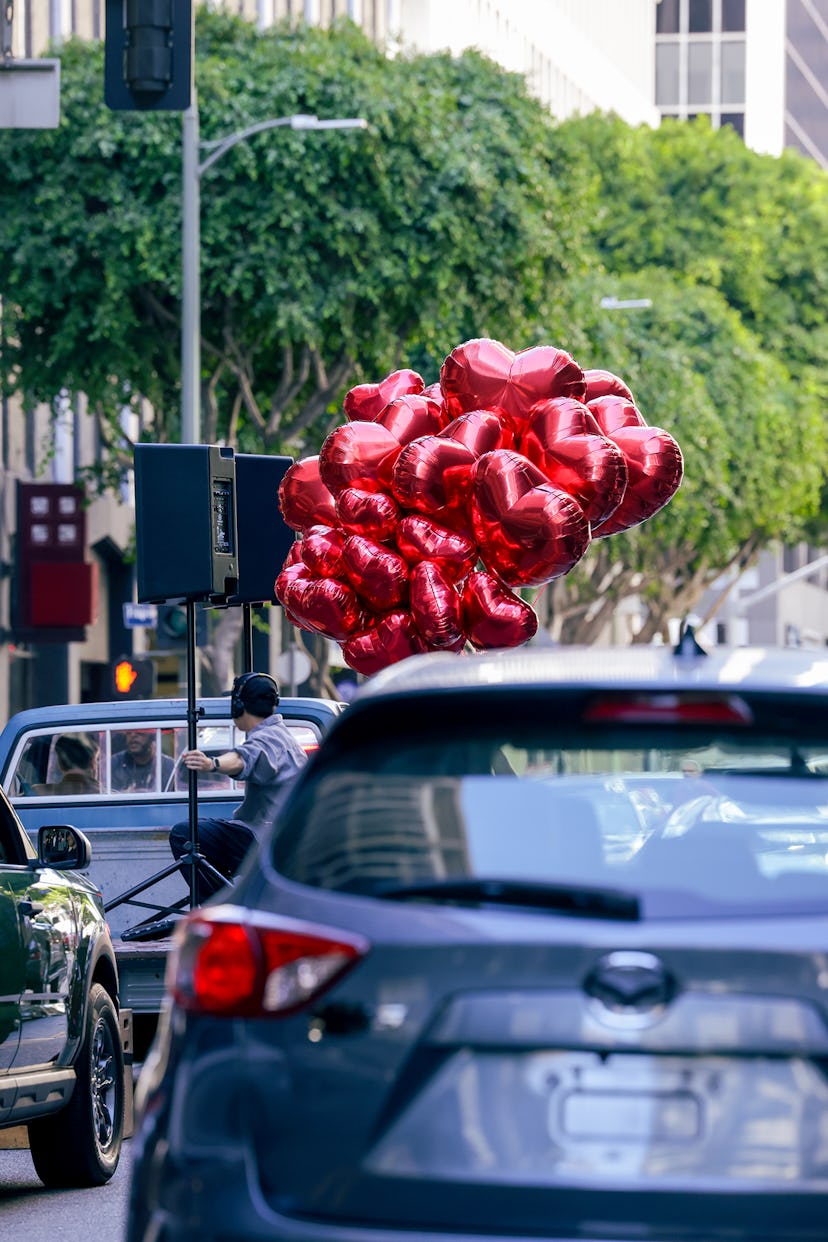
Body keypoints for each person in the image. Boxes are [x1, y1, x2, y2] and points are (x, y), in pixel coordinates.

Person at [169, 672, 308, 903]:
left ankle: (218, 905)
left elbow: (243, 759)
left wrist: (211, 764)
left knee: (186, 833)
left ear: (238, 705)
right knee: (209, 830)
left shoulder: (269, 738)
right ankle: (227, 897)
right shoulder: (282, 735)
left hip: (267, 840)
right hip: (284, 838)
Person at [111, 728, 175, 793]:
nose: (132, 735)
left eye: (140, 732)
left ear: (153, 736)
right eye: (128, 733)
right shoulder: (113, 764)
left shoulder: (171, 767)